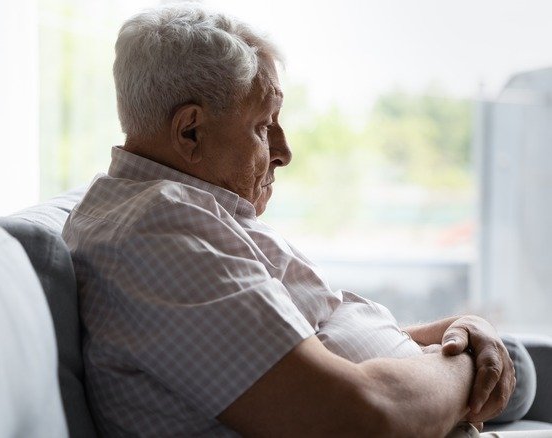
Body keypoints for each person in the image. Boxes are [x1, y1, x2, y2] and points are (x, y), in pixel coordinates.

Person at [62, 4, 517, 436]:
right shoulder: (157, 237)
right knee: (519, 371)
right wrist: (465, 366)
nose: (284, 151)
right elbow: (358, 420)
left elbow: (296, 348)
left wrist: (453, 332)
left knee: (517, 366)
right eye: (263, 125)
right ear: (190, 131)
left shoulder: (186, 215)